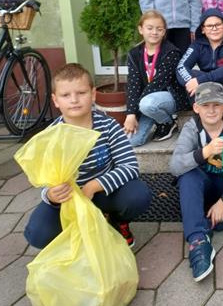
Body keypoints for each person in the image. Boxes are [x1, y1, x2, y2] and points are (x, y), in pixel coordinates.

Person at [24, 63, 152, 249]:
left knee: (138, 195)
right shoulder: (51, 136)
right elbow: (44, 178)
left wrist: (93, 186)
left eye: (81, 93)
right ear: (55, 100)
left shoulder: (108, 126)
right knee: (37, 234)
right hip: (69, 198)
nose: (74, 100)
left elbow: (130, 167)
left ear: (93, 94)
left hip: (102, 192)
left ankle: (116, 221)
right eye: (65, 95)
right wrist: (50, 194)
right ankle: (77, 230)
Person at [169, 82, 223, 282]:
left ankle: (199, 223)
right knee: (187, 175)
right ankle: (198, 241)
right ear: (196, 108)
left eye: (216, 104)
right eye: (205, 105)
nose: (211, 110)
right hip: (201, 188)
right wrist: (205, 152)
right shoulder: (191, 129)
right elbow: (175, 166)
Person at [124, 10, 188, 146]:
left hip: (169, 98)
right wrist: (130, 114)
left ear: (164, 32)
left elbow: (157, 84)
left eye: (159, 29)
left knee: (147, 104)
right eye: (150, 28)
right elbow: (133, 84)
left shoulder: (171, 52)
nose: (154, 32)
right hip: (146, 101)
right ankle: (157, 119)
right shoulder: (134, 54)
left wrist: (134, 111)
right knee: (131, 141)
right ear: (141, 29)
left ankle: (167, 122)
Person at [176, 8, 223, 114]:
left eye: (218, 25)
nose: (214, 28)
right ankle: (200, 121)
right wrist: (192, 82)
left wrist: (201, 80)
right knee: (192, 79)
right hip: (204, 85)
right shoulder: (197, 45)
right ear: (203, 29)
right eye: (209, 26)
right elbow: (181, 67)